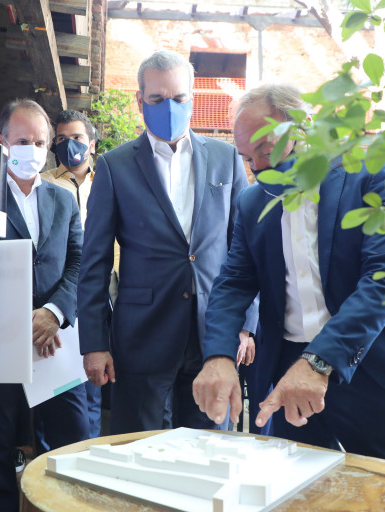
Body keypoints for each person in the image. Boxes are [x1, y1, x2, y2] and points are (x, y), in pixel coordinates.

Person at [192, 85, 385, 466]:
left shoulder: (371, 171)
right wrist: (218, 355)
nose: (258, 168)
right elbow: (234, 283)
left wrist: (318, 362)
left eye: (265, 150)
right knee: (294, 487)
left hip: (367, 363)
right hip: (286, 370)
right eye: (247, 158)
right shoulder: (252, 201)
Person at [77, 50, 258, 435]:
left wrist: (246, 324)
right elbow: (94, 262)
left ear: (192, 97)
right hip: (143, 337)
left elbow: (246, 250)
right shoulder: (114, 166)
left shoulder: (226, 158)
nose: (169, 107)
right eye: (157, 99)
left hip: (214, 334)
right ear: (140, 100)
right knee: (140, 449)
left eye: (178, 98)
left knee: (209, 450)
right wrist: (94, 342)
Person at [0, 99, 88, 511]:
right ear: (2, 142)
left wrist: (54, 313)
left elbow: (80, 262)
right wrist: (19, 321)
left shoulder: (63, 200)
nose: (32, 149)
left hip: (55, 343)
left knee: (73, 439)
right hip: (0, 343)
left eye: (40, 142)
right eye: (22, 141)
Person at [40, 109, 116, 439]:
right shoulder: (43, 184)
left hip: (106, 296)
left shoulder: (109, 181)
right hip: (62, 297)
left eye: (76, 138)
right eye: (60, 139)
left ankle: (92, 450)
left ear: (92, 144)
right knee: (62, 390)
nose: (68, 144)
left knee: (98, 380)